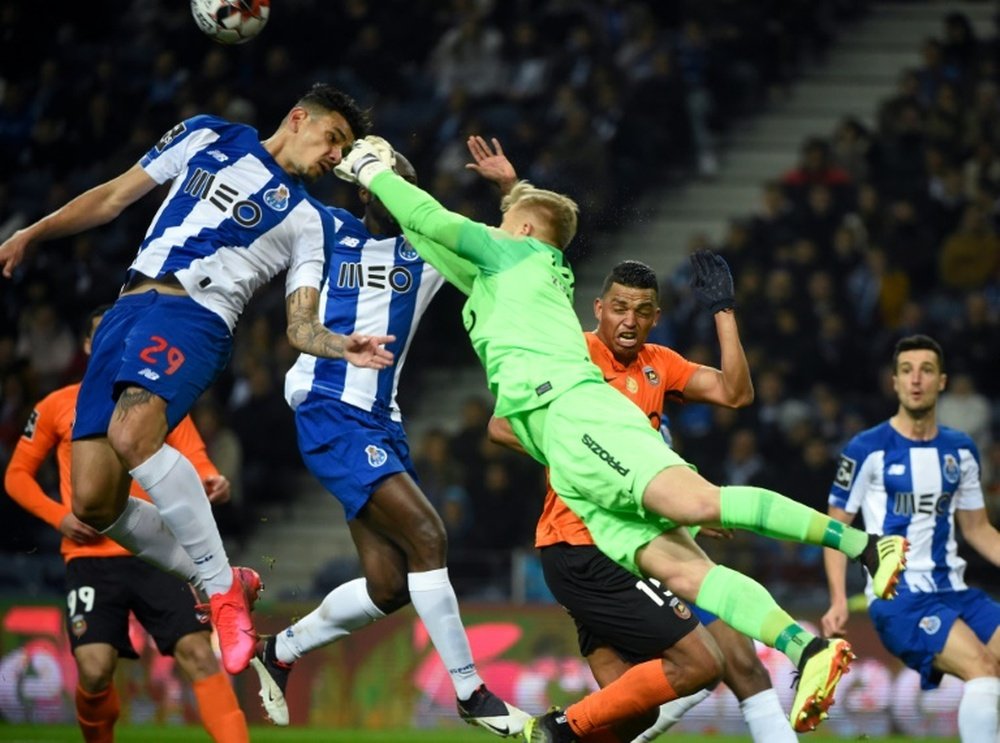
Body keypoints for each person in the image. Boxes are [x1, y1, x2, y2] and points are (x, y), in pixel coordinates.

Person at [332, 134, 909, 739]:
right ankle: (804, 649)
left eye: (503, 220)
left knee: (699, 506)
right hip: (573, 464)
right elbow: (432, 238)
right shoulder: (510, 273)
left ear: (522, 232)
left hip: (578, 417)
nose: (493, 226)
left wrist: (373, 169)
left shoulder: (515, 258)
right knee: (686, 573)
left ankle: (866, 546)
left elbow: (436, 218)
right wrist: (399, 197)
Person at [0, 83, 396, 676]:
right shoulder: (209, 134)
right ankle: (221, 577)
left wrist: (341, 344)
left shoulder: (310, 220)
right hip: (124, 313)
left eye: (343, 150)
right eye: (333, 138)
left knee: (136, 436)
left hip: (196, 318)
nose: (335, 157)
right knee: (92, 501)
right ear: (297, 118)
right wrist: (33, 232)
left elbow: (300, 325)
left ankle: (220, 593)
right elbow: (112, 197)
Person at [470, 139, 794, 741]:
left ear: (653, 319)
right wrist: (579, 457)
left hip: (642, 540)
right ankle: (556, 729)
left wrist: (723, 312)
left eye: (641, 312)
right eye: (618, 307)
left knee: (691, 680)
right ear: (596, 308)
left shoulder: (659, 363)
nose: (627, 320)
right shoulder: (573, 354)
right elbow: (497, 423)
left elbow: (735, 393)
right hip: (580, 538)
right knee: (663, 687)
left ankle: (556, 731)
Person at [248, 151, 529, 736]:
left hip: (382, 418)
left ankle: (280, 649)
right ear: (363, 190)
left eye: (404, 177)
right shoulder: (325, 227)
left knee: (390, 586)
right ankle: (471, 691)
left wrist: (511, 189)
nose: (393, 187)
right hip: (328, 407)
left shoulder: (428, 246)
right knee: (429, 536)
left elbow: (513, 249)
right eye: (382, 178)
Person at [4, 306, 250, 743]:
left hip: (155, 553)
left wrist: (210, 475)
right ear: (86, 346)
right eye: (104, 335)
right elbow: (16, 475)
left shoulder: (153, 399)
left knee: (198, 653)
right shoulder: (57, 405)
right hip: (90, 559)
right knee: (95, 670)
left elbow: (192, 451)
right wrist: (59, 517)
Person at [822, 334, 1000, 743]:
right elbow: (835, 529)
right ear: (895, 383)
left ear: (942, 382)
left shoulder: (961, 450)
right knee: (983, 669)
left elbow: (979, 530)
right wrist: (836, 598)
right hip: (899, 599)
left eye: (926, 370)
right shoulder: (866, 449)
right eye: (906, 371)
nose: (916, 379)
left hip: (957, 591)